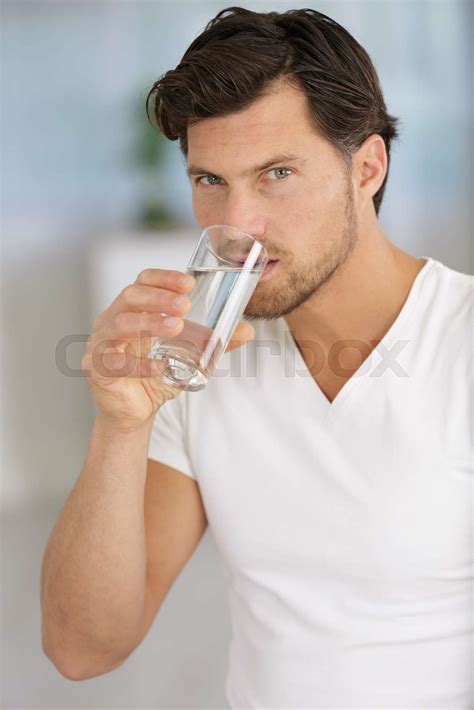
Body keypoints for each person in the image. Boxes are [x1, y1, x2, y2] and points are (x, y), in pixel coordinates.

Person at [40, 7, 473, 707]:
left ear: (366, 167)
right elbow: (82, 649)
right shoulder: (197, 365)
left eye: (276, 173)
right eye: (210, 180)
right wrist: (119, 425)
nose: (237, 226)